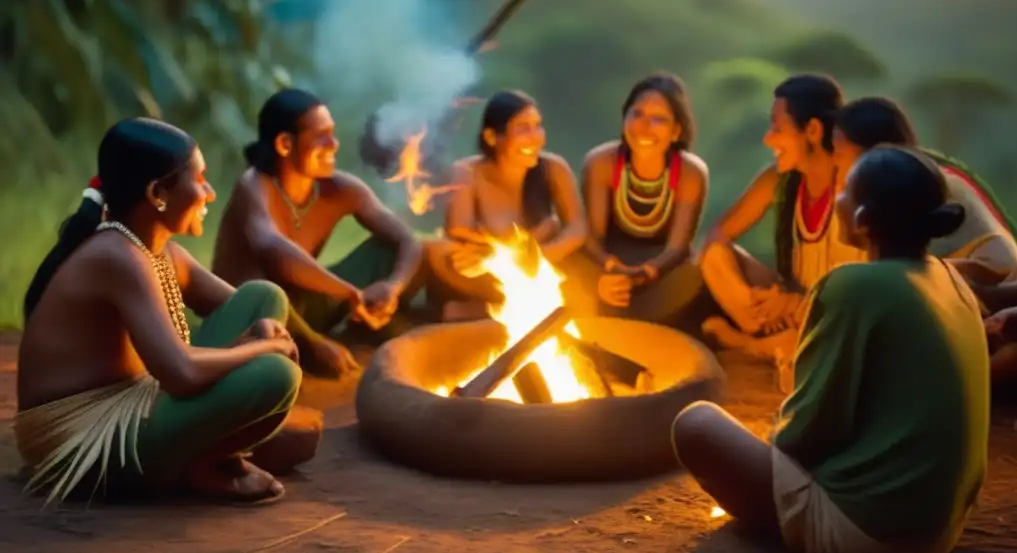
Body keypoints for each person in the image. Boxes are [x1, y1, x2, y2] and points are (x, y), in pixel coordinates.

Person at [672, 146, 989, 553]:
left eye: (844, 190)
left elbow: (805, 433)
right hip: (937, 531)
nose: (836, 197)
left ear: (861, 219)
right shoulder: (951, 279)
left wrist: (767, 449)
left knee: (696, 424)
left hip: (867, 532)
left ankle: (792, 525)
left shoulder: (853, 286)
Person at [16, 118, 320, 507]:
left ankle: (202, 452)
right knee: (275, 374)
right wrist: (259, 349)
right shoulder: (116, 255)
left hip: (140, 396)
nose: (210, 193)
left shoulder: (160, 252)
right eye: (200, 179)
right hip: (84, 437)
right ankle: (202, 463)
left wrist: (266, 332)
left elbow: (246, 310)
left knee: (264, 298)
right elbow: (182, 373)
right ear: (158, 192)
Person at [212, 89, 426, 377]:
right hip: (254, 318)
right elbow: (273, 251)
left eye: (333, 133)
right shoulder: (253, 187)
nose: (334, 144)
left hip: (305, 305)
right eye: (321, 136)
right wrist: (345, 301)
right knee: (267, 296)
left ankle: (356, 331)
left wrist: (393, 287)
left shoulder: (340, 189)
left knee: (386, 250)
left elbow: (408, 240)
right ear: (285, 144)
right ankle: (307, 348)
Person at [700, 74, 866, 358]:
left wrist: (801, 305)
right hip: (789, 308)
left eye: (777, 128)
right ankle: (772, 336)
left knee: (831, 333)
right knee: (715, 255)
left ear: (812, 130)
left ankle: (754, 346)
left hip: (838, 316)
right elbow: (718, 235)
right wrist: (759, 301)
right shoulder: (777, 180)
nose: (768, 138)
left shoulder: (852, 185)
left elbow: (868, 291)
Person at [831, 96, 1017, 286]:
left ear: (874, 155)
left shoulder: (916, 190)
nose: (836, 166)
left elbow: (905, 273)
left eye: (840, 154)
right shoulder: (914, 181)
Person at [569, 72, 709, 327]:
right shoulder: (601, 162)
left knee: (695, 273)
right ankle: (600, 318)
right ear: (624, 117)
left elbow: (677, 248)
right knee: (569, 259)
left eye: (659, 120)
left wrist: (643, 275)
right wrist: (610, 272)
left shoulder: (691, 173)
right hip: (606, 266)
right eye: (637, 114)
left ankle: (641, 327)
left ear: (677, 131)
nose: (644, 127)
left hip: (660, 272)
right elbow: (593, 238)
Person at [432, 90, 587, 311]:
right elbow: (459, 233)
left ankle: (476, 312)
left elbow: (577, 228)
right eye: (523, 128)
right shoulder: (466, 173)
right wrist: (537, 235)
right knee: (440, 252)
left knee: (580, 274)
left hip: (543, 268)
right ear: (491, 137)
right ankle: (476, 311)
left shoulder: (554, 168)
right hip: (487, 273)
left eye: (538, 125)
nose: (535, 136)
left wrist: (539, 258)